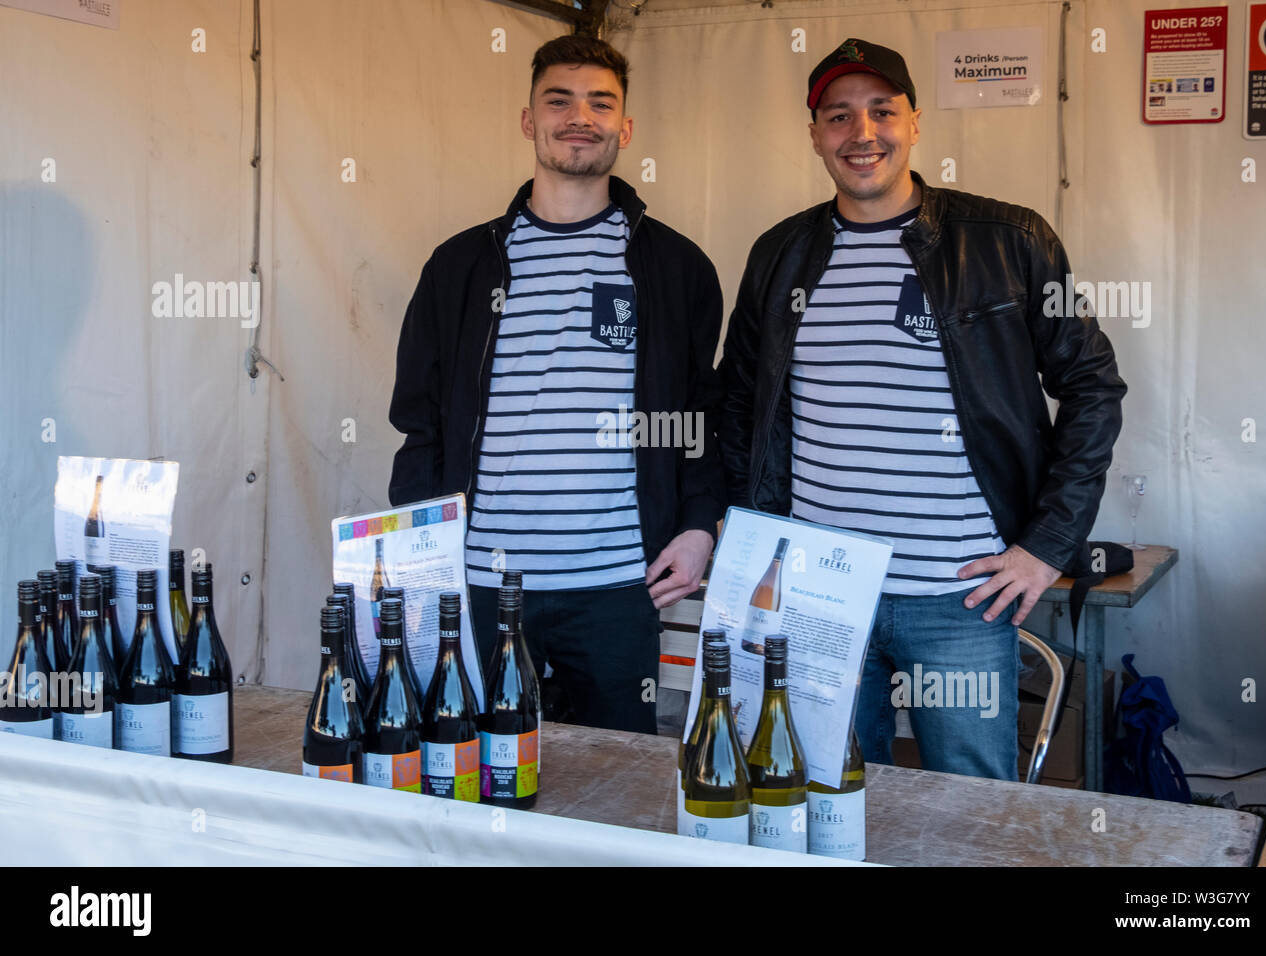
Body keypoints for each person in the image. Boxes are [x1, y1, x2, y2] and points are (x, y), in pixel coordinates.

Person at [718, 38, 1126, 779]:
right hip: (819, 592)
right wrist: (747, 536)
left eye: (881, 111)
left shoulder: (1009, 239)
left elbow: (1093, 386)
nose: (861, 133)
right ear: (815, 135)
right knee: (828, 798)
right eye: (838, 117)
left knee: (971, 812)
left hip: (960, 593)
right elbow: (739, 401)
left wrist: (1047, 545)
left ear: (914, 122)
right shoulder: (779, 255)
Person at [388, 35, 725, 735]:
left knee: (616, 780)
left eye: (601, 103)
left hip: (617, 584)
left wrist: (697, 527)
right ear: (527, 119)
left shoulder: (675, 267)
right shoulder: (461, 265)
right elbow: (418, 425)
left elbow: (698, 418)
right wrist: (422, 551)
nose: (581, 117)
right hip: (479, 581)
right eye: (560, 100)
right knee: (469, 767)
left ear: (625, 128)